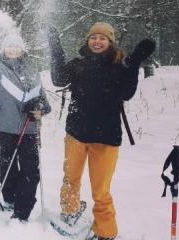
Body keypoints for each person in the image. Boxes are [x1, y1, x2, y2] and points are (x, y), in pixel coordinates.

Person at [48, 22, 155, 240]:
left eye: (103, 38)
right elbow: (58, 78)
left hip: (105, 138)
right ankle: (70, 210)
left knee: (101, 190)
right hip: (76, 133)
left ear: (110, 42)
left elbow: (126, 93)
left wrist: (134, 63)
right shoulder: (79, 63)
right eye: (94, 37)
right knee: (70, 178)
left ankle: (105, 232)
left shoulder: (120, 66)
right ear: (88, 40)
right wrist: (55, 46)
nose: (97, 41)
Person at [0, 33, 51, 222]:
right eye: (9, 46)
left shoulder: (31, 70)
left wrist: (40, 108)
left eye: (16, 46)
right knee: (7, 167)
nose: (12, 50)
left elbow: (44, 102)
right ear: (3, 49)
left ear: (22, 49)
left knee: (30, 171)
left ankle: (22, 211)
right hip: (3, 128)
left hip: (29, 129)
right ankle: (10, 198)